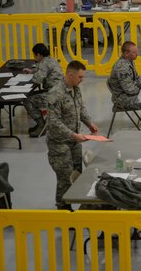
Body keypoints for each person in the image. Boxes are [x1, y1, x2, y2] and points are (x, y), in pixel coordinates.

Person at [45, 60, 99, 210]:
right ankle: (63, 211)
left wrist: (89, 122)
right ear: (70, 74)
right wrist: (73, 135)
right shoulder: (55, 94)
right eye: (80, 77)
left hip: (74, 142)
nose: (82, 80)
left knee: (77, 175)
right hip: (59, 144)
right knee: (65, 179)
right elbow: (53, 122)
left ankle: (81, 208)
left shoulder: (76, 89)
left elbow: (80, 109)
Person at [107, 41, 141, 130]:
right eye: (134, 52)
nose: (137, 54)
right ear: (126, 53)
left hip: (127, 95)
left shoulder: (129, 61)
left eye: (136, 51)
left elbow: (137, 79)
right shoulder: (122, 67)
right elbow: (130, 89)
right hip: (123, 99)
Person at [22, 43, 64, 137]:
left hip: (55, 96)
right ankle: (40, 125)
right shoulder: (50, 60)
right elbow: (43, 70)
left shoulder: (44, 63)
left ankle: (41, 126)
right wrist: (32, 71)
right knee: (30, 95)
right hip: (58, 91)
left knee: (27, 100)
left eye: (34, 55)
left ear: (39, 54)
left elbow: (37, 79)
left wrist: (32, 75)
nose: (34, 58)